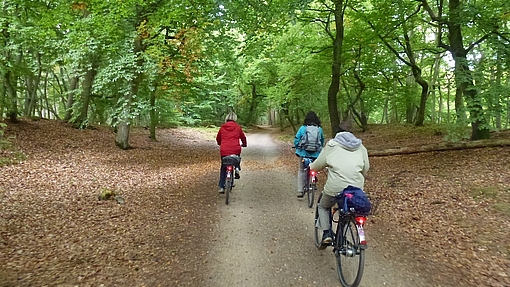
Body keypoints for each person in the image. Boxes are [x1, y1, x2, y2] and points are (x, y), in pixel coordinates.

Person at [309, 120, 370, 248]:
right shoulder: (361, 147)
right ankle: (342, 236)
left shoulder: (331, 145)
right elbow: (366, 168)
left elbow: (317, 165)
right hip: (355, 189)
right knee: (349, 209)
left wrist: (311, 167)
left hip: (335, 187)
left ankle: (327, 234)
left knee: (323, 206)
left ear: (337, 132)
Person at [294, 111, 325, 197]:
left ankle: (300, 190)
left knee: (301, 170)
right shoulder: (319, 129)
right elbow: (322, 141)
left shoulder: (303, 128)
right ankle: (313, 180)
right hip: (315, 154)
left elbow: (296, 139)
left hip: (303, 153)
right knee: (314, 168)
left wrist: (297, 147)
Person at [216, 112, 247, 194]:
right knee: (235, 158)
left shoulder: (222, 127)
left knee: (223, 167)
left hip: (224, 150)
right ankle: (237, 168)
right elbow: (243, 137)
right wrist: (244, 144)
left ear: (227, 118)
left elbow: (218, 138)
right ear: (235, 118)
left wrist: (220, 143)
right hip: (235, 149)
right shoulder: (237, 127)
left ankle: (221, 187)